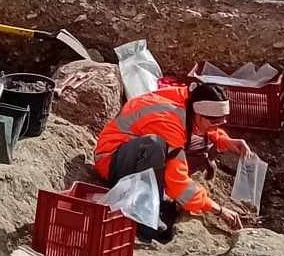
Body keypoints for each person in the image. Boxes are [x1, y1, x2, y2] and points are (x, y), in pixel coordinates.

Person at [93, 82, 248, 241]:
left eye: (221, 122)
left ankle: (160, 195)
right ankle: (147, 220)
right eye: (214, 123)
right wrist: (218, 209)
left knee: (207, 141)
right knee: (154, 146)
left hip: (134, 152)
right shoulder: (169, 121)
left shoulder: (188, 98)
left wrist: (225, 141)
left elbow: (207, 128)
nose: (217, 127)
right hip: (112, 161)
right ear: (198, 114)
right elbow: (177, 182)